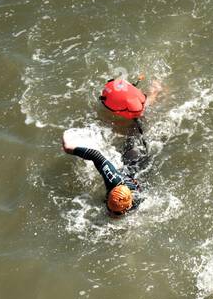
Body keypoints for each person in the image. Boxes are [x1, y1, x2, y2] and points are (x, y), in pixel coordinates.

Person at [62, 76, 162, 215]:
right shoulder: (114, 180)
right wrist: (70, 148)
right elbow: (97, 156)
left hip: (137, 170)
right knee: (133, 130)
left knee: (136, 127)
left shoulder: (139, 202)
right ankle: (138, 102)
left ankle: (143, 101)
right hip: (135, 165)